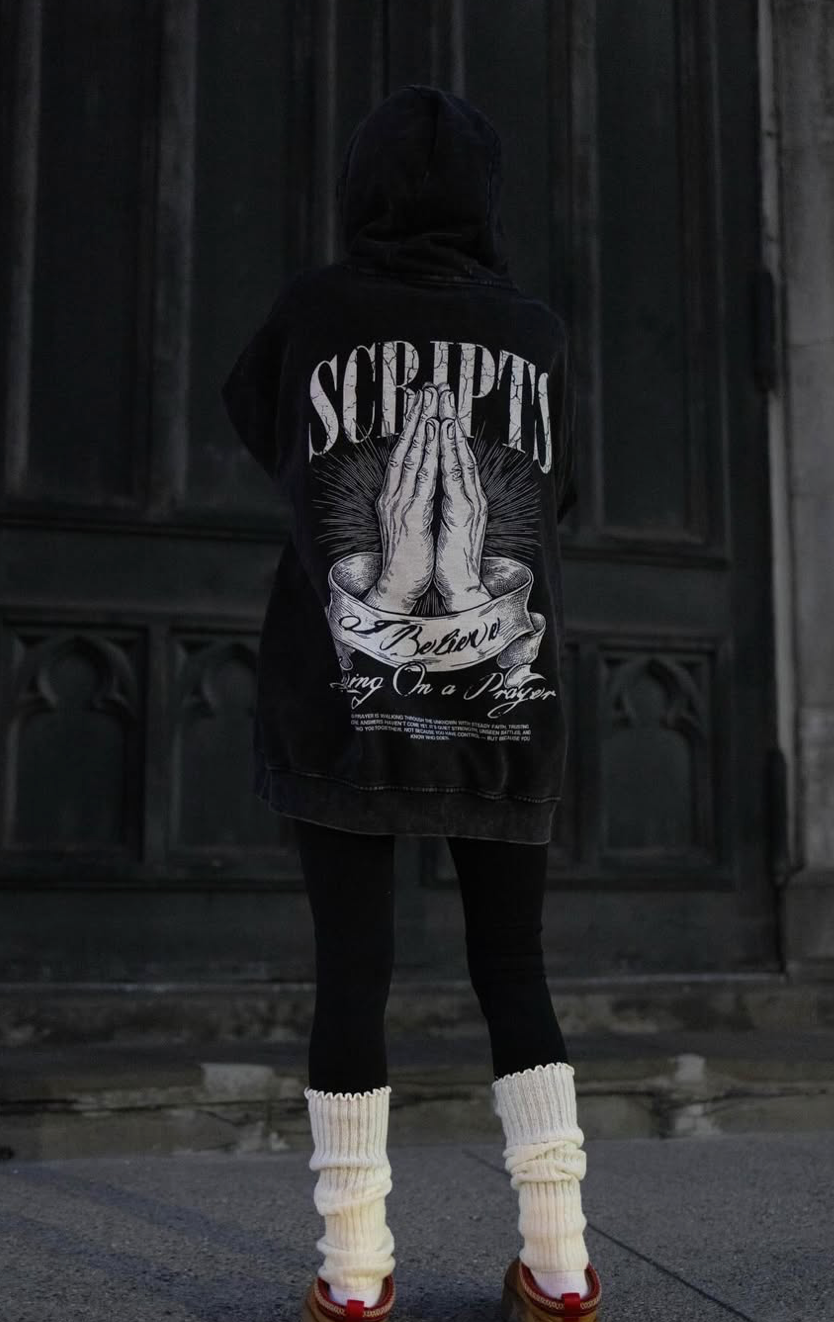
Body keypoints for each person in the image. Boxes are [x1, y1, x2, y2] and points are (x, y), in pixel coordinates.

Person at [221, 85, 602, 1322]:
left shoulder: (313, 312)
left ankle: (353, 1275)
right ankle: (561, 1266)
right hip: (507, 697)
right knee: (515, 964)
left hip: (342, 692)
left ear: (362, 190)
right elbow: (560, 495)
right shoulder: (535, 332)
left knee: (352, 969)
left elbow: (261, 426)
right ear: (483, 198)